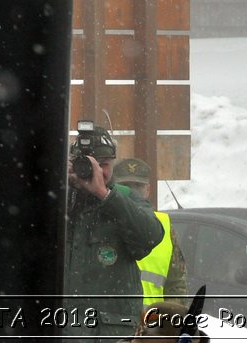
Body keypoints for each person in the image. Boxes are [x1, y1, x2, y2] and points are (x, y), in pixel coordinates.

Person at [65, 126, 165, 339]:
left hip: (112, 331)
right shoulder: (63, 197)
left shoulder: (126, 198)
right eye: (89, 164)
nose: (97, 171)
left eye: (103, 165)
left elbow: (150, 237)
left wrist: (104, 195)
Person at [112, 156, 189, 304]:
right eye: (126, 185)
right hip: (113, 321)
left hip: (153, 322)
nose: (132, 191)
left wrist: (170, 318)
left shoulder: (164, 226)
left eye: (137, 186)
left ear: (147, 190)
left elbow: (177, 284)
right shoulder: (104, 221)